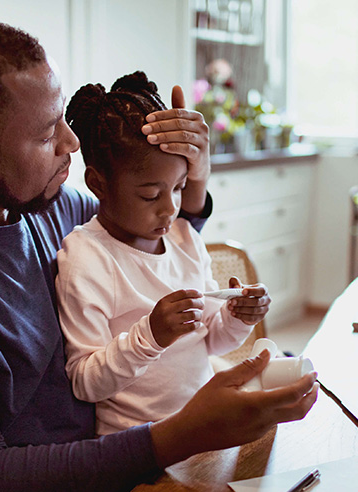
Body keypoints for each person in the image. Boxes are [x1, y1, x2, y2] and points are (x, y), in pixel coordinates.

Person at [0, 17, 318, 491]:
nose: (72, 143)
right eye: (46, 136)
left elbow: (148, 235)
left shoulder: (44, 202)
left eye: (63, 118)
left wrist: (196, 178)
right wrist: (182, 434)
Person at [57, 72, 269, 435]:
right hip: (137, 445)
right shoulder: (86, 258)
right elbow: (85, 382)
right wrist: (151, 336)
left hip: (203, 426)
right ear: (98, 184)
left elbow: (212, 342)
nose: (170, 209)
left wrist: (237, 317)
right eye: (150, 195)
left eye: (178, 188)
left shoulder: (184, 238)